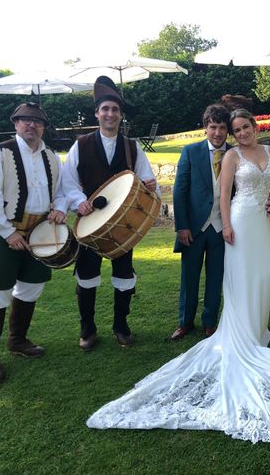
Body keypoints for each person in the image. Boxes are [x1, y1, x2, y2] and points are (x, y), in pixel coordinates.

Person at [86, 109, 270, 445]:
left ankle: (255, 327)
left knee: (261, 275)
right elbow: (218, 193)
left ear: (253, 127)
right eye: (235, 128)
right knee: (225, 277)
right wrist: (219, 225)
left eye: (245, 126)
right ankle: (217, 328)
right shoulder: (227, 156)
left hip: (259, 224)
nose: (241, 132)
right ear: (225, 132)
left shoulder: (268, 152)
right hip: (234, 221)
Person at [0, 102, 67, 383]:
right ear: (15, 124)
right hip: (2, 234)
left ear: (43, 127)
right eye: (24, 120)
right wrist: (7, 232)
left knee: (32, 286)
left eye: (36, 122)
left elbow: (60, 191)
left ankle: (18, 340)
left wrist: (60, 208)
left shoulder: (51, 156)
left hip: (39, 233)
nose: (30, 125)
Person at [62, 76, 159, 349]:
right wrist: (78, 201)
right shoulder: (80, 145)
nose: (110, 114)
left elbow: (147, 180)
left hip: (122, 225)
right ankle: (87, 328)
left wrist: (150, 185)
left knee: (124, 276)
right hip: (90, 223)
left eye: (115, 110)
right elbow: (68, 182)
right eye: (105, 109)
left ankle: (121, 325)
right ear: (97, 113)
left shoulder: (132, 147)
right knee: (87, 274)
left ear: (120, 115)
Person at [170, 104, 232, 341]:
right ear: (206, 128)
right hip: (194, 228)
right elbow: (179, 191)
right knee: (190, 277)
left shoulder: (234, 154)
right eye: (213, 127)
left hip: (220, 228)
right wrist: (182, 226)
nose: (217, 133)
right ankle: (185, 322)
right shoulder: (190, 152)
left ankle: (210, 322)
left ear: (227, 131)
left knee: (216, 277)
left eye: (222, 128)